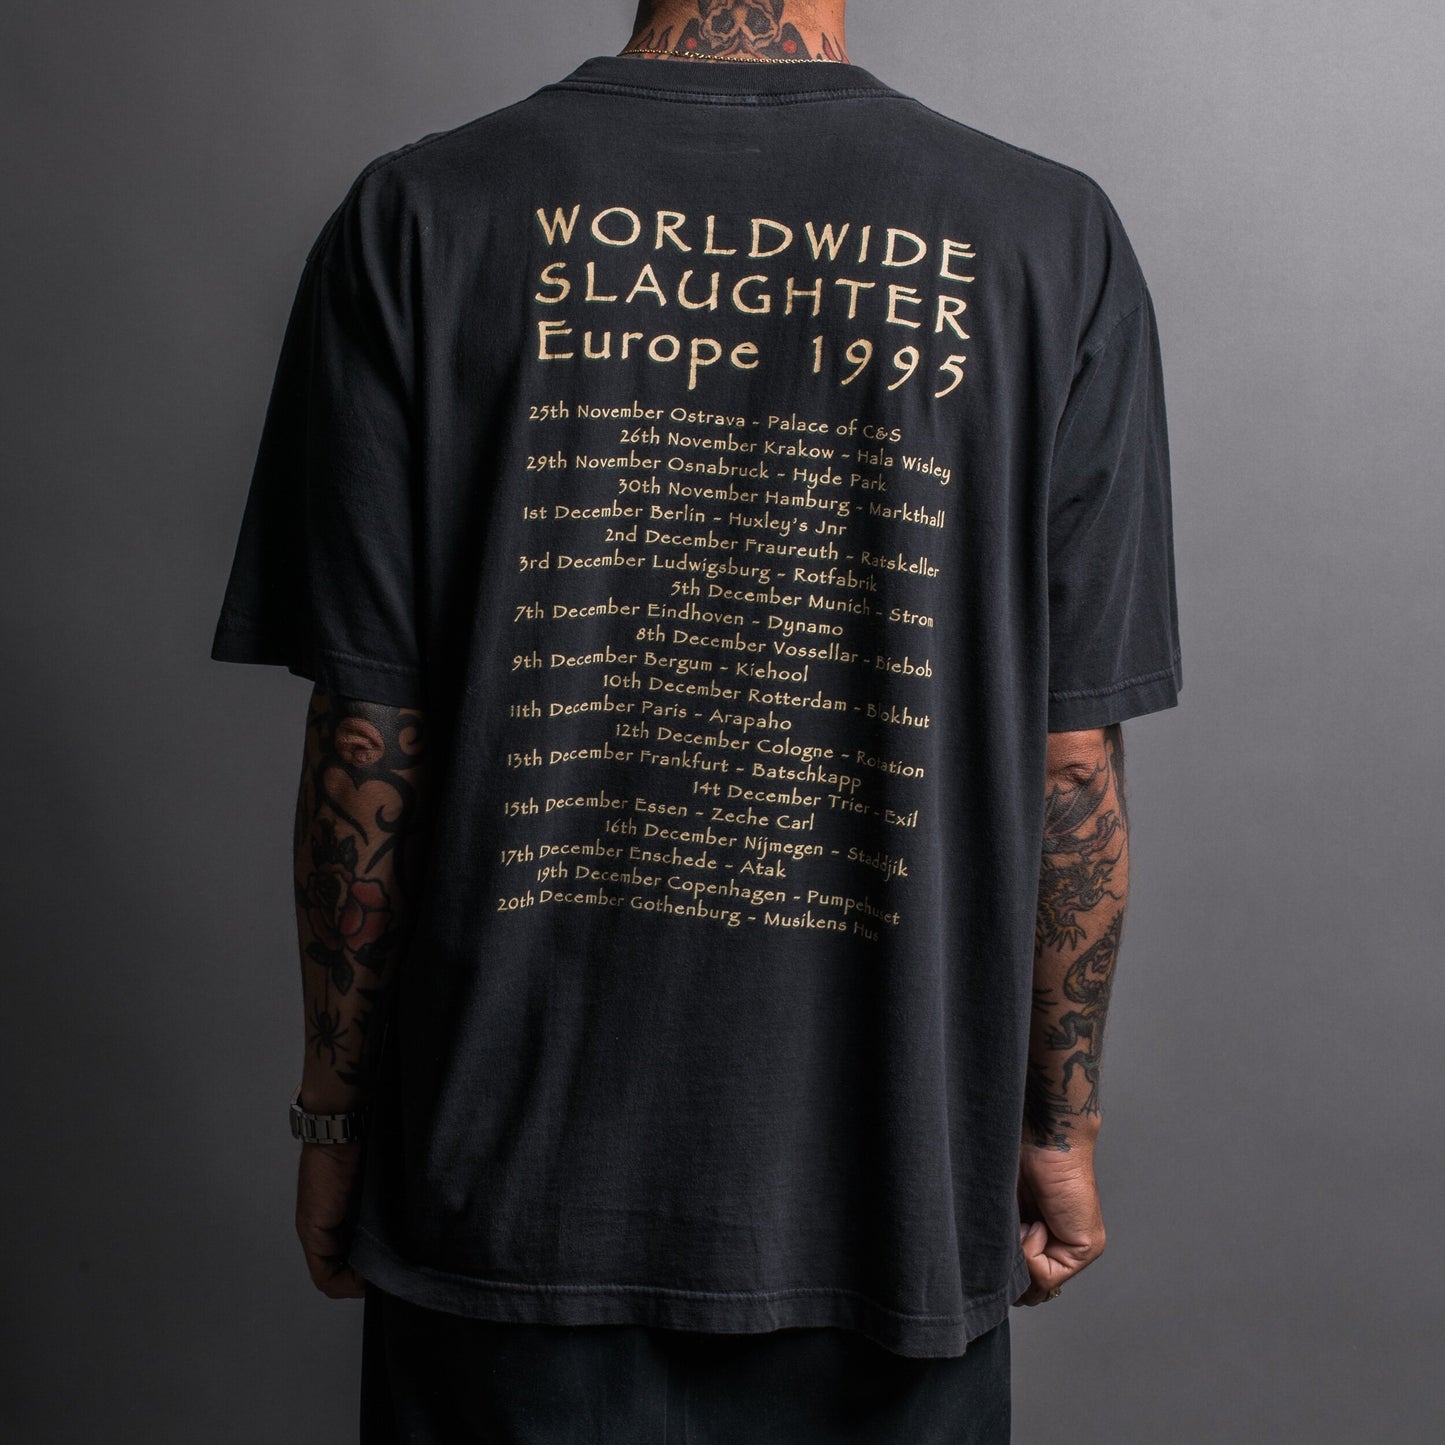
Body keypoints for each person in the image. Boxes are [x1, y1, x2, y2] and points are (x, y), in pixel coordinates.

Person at [209, 1, 1183, 1439]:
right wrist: (1057, 1127)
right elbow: (1071, 762)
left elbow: (372, 732)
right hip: (890, 1191)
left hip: (504, 1180)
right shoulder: (1050, 237)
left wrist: (335, 1113)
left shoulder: (421, 214)